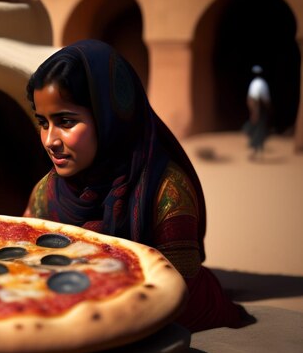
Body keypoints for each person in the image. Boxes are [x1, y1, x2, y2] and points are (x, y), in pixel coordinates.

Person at [23, 39, 253, 332]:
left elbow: (179, 294)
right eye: (43, 123)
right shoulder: (47, 193)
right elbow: (24, 270)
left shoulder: (165, 190)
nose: (50, 141)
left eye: (66, 122)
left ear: (111, 117)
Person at [244, 65, 271, 160]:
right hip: (259, 108)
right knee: (258, 128)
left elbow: (251, 99)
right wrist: (256, 111)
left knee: (258, 128)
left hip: (258, 108)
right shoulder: (261, 83)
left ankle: (257, 150)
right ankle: (256, 150)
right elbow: (260, 99)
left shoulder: (255, 83)